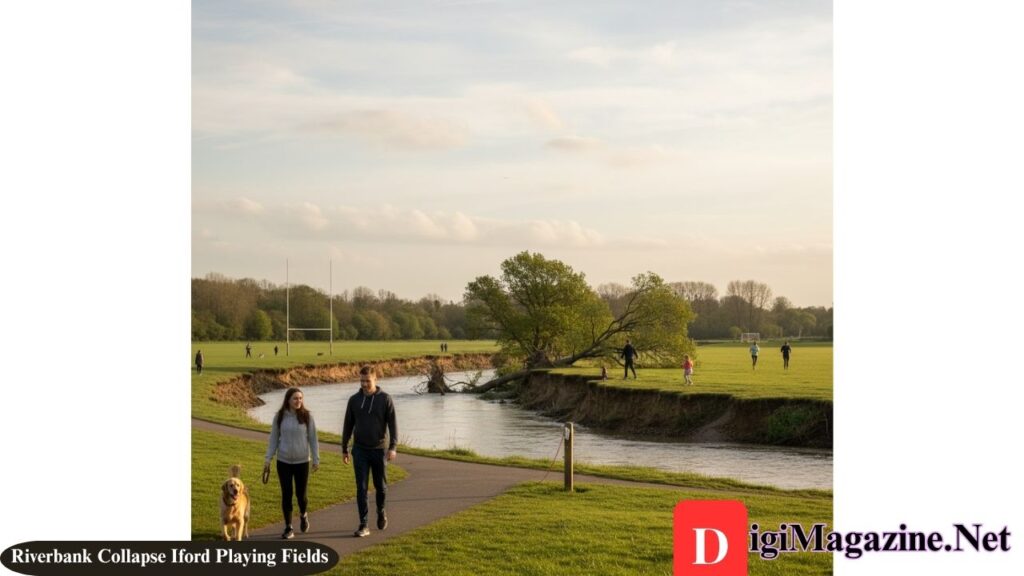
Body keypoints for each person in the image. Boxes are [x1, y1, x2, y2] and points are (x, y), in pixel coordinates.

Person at [342, 365, 398, 537]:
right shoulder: (354, 400)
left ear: (375, 380)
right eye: (362, 381)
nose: (364, 384)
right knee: (361, 488)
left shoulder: (385, 399)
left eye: (368, 381)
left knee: (381, 487)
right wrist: (344, 448)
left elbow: (393, 424)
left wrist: (393, 447)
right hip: (359, 450)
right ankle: (363, 524)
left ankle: (381, 511)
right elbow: (348, 425)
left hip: (379, 449)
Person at [263, 388, 320, 539]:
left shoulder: (307, 417)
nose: (298, 401)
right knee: (286, 494)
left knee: (301, 495)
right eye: (295, 398)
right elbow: (273, 438)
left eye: (300, 398)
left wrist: (316, 459)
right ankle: (288, 527)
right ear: (288, 400)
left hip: (302, 462)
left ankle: (303, 514)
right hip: (284, 461)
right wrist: (268, 459)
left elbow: (313, 439)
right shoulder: (280, 417)